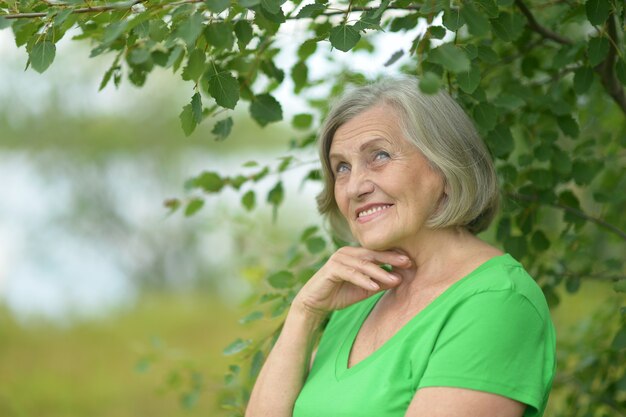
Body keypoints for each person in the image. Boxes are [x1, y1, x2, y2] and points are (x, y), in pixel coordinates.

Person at [245, 77, 556, 417]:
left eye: (379, 155)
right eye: (342, 168)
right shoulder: (359, 297)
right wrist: (304, 312)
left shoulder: (499, 300)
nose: (354, 188)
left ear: (444, 167)